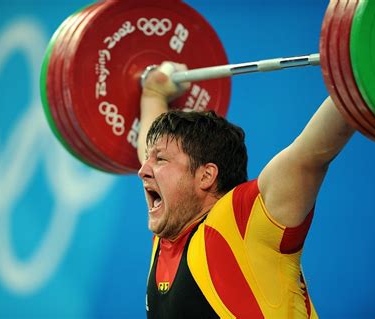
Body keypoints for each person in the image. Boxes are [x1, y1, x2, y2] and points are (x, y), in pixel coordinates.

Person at [137, 62, 355, 318]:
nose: (143, 170)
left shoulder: (245, 222)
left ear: (206, 176)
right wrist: (154, 93)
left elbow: (310, 154)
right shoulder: (170, 227)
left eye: (160, 160)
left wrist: (358, 72)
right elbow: (149, 154)